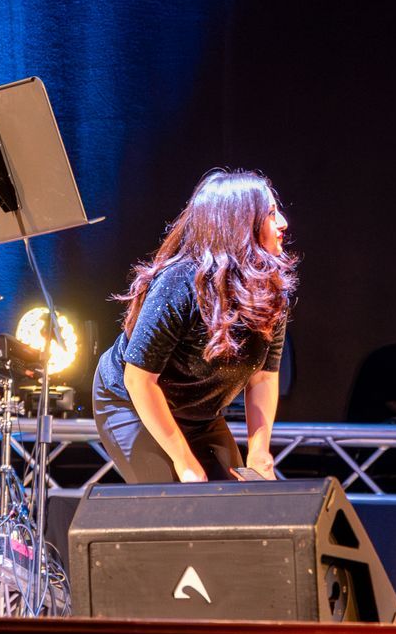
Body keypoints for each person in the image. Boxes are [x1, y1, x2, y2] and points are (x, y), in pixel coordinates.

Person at [92, 170, 293, 484]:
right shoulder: (180, 285)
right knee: (175, 503)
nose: (283, 223)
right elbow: (139, 380)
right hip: (132, 403)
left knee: (237, 503)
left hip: (201, 416)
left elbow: (264, 376)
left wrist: (258, 452)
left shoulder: (270, 292)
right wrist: (184, 462)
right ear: (240, 225)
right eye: (270, 214)